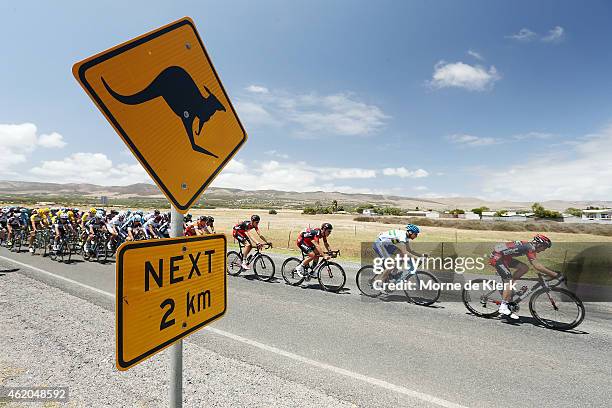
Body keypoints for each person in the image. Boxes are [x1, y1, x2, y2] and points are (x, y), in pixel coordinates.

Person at [489, 234, 561, 320]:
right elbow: (537, 266)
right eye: (544, 247)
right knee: (508, 280)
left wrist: (550, 273)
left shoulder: (530, 247)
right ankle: (503, 306)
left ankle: (508, 291)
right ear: (539, 244)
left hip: (505, 257)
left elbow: (536, 265)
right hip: (497, 258)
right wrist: (555, 275)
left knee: (524, 268)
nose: (544, 250)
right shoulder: (529, 248)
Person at [371, 224, 425, 291]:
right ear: (410, 232)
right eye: (415, 234)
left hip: (388, 245)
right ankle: (380, 283)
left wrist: (421, 255)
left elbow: (409, 251)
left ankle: (393, 274)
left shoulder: (406, 237)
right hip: (379, 244)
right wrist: (417, 258)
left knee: (401, 255)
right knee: (391, 265)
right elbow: (405, 252)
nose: (416, 236)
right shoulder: (402, 236)